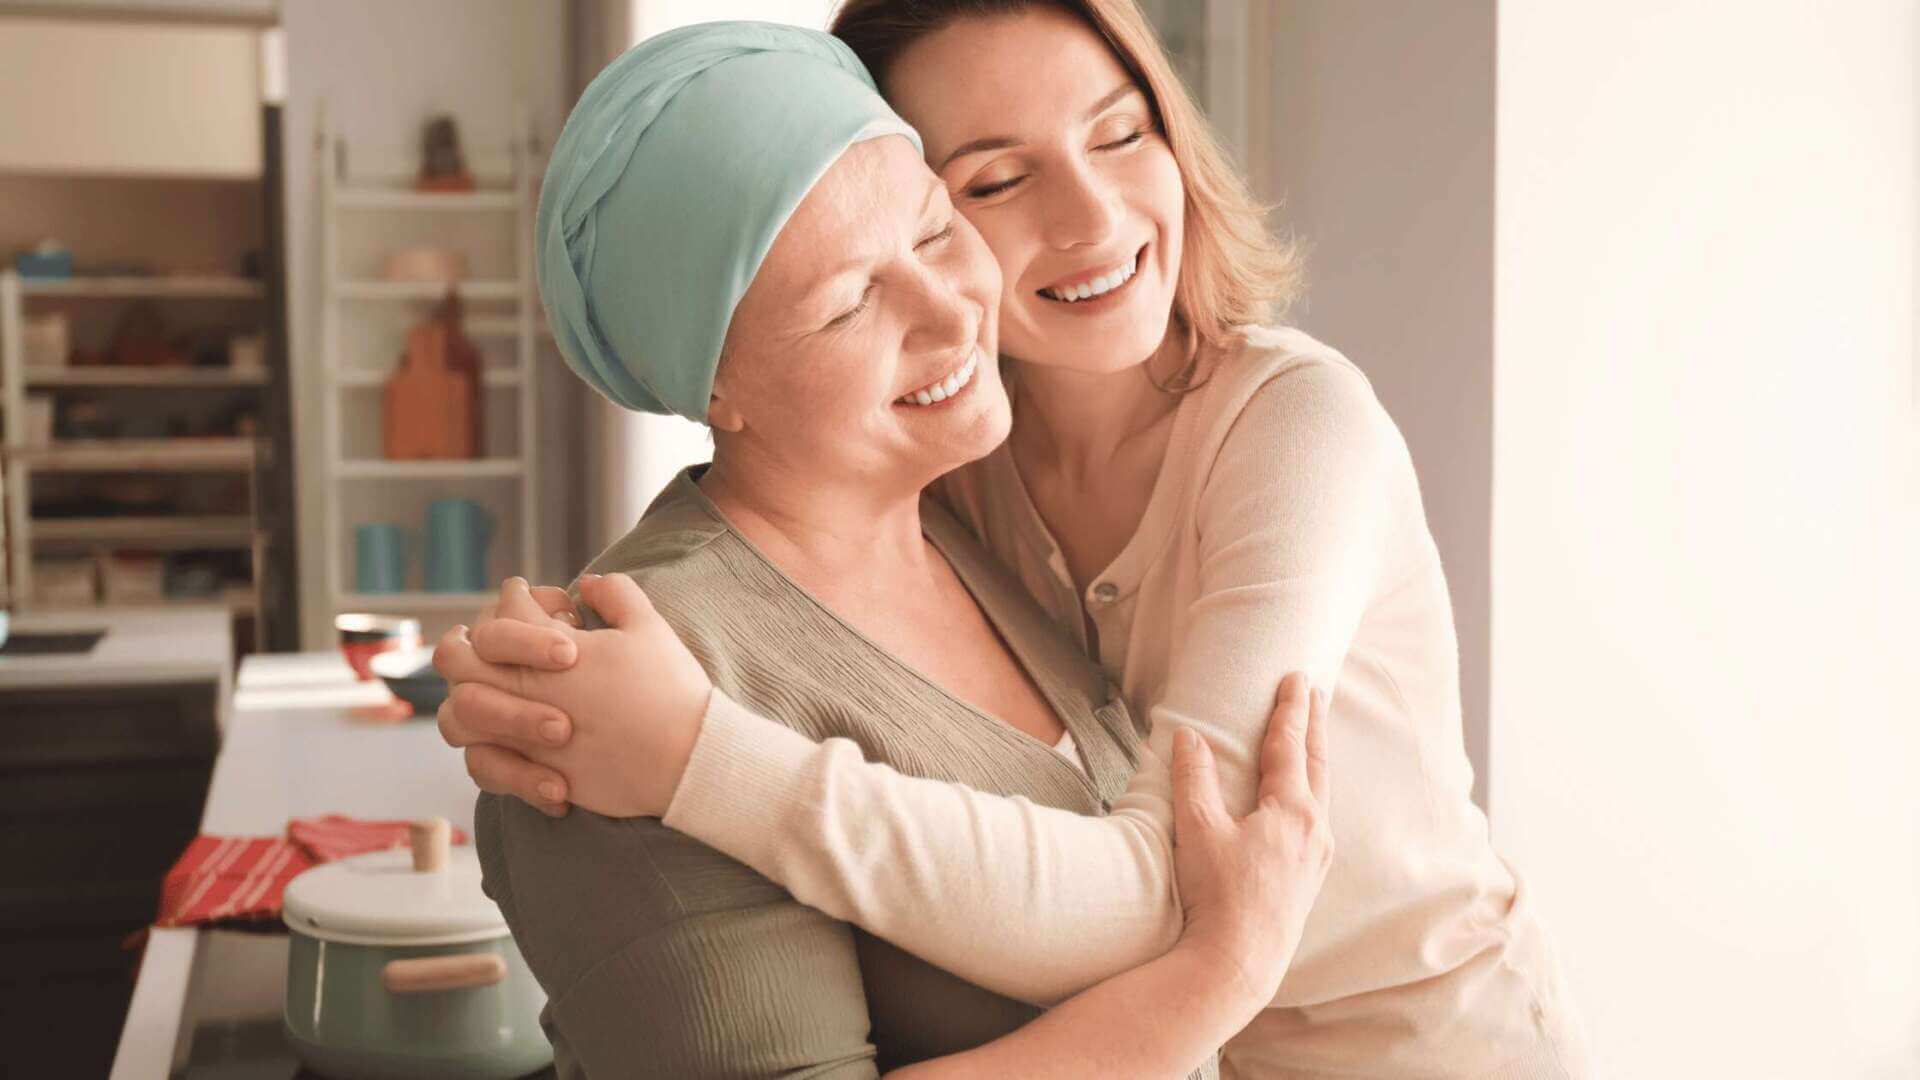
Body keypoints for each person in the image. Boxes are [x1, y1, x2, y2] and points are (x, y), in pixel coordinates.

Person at [442, 2, 1591, 1076]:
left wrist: (701, 757)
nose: (1091, 219)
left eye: (1121, 131)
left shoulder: (1291, 428)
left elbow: (1168, 889)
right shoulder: (963, 470)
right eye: (994, 179)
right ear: (709, 382)